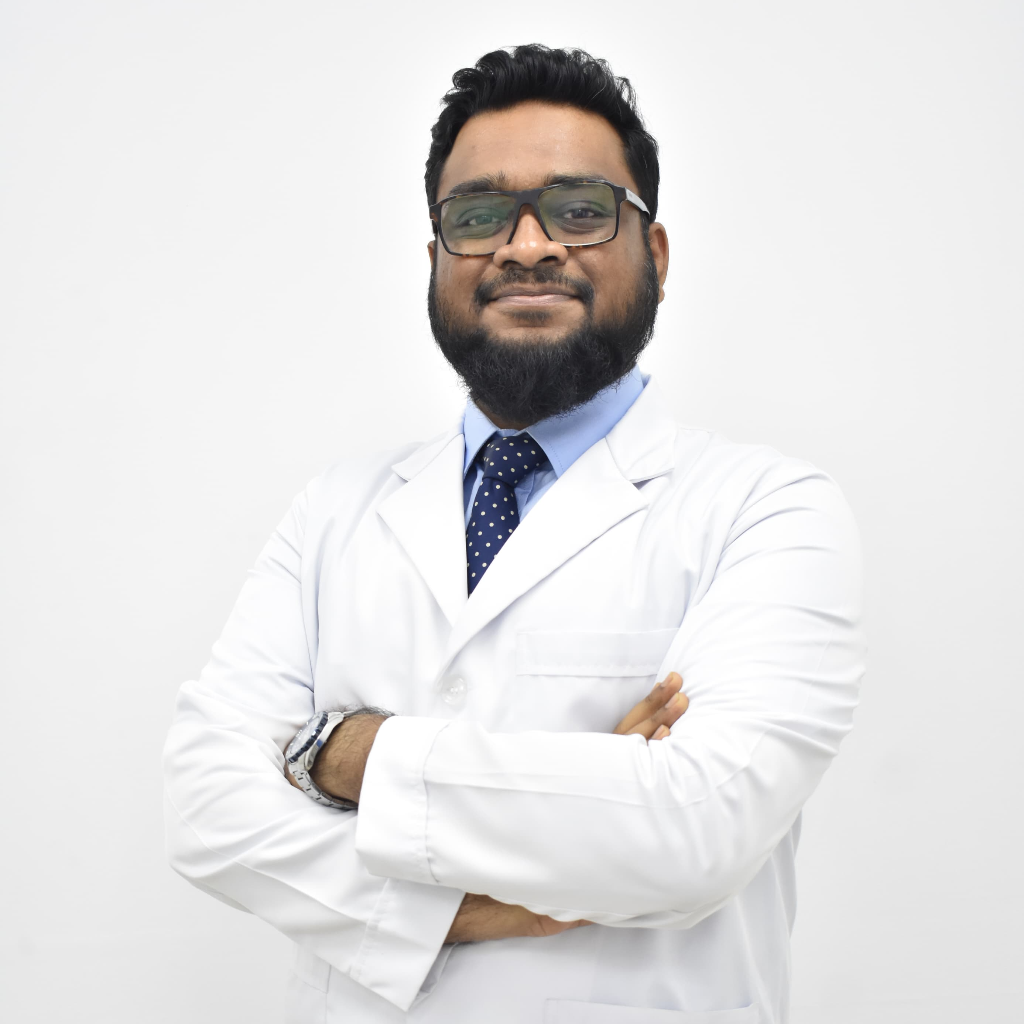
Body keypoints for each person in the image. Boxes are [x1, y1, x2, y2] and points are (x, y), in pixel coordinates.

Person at [163, 44, 864, 1024]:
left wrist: (340, 753)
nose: (527, 245)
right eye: (479, 215)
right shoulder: (334, 510)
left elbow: (693, 831)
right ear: (437, 260)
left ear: (655, 255)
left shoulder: (769, 511)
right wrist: (469, 900)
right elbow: (207, 809)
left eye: (578, 210)